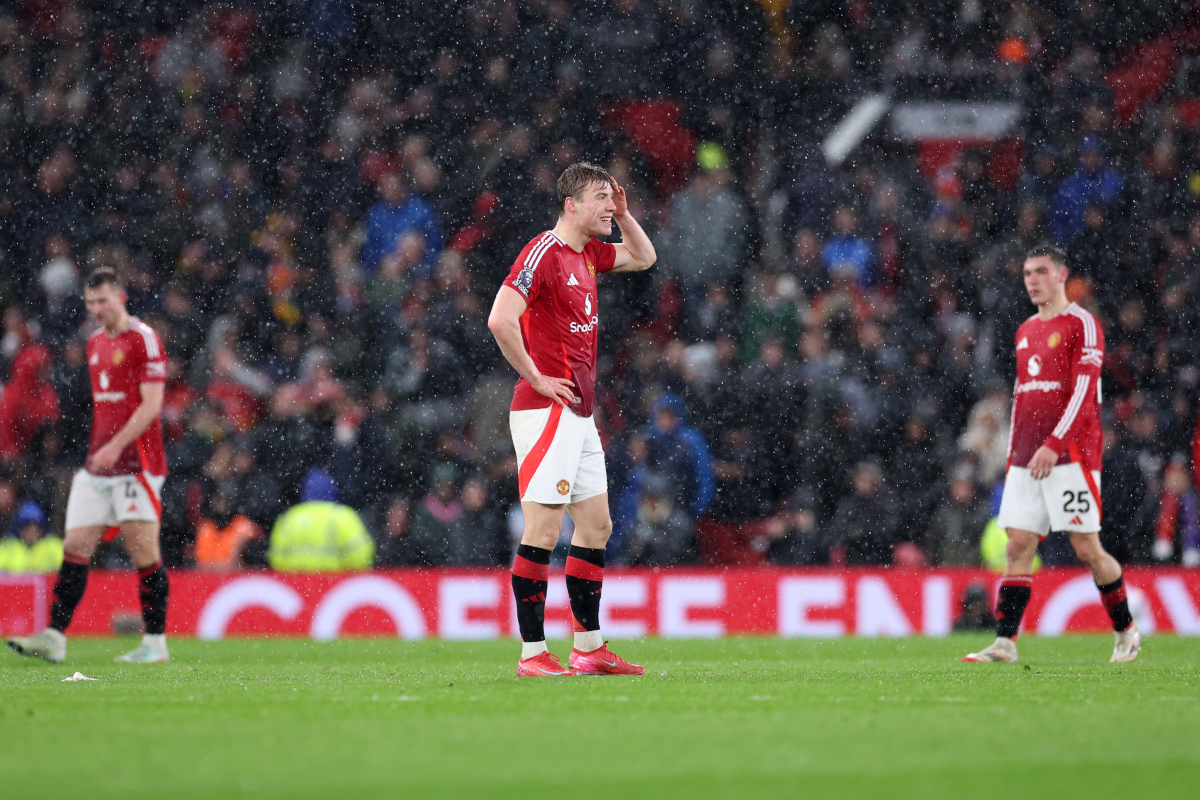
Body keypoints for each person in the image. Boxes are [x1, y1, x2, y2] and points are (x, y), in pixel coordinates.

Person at [487, 162, 655, 677]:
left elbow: (645, 258)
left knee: (597, 525)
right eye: (602, 198)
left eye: (613, 197)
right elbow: (500, 318)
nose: (610, 205)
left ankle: (588, 647)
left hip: (580, 414)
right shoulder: (544, 252)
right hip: (546, 410)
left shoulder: (589, 255)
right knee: (543, 528)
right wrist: (537, 377)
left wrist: (625, 217)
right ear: (571, 205)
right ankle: (533, 654)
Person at [964, 245, 1140, 664]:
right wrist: (1014, 458)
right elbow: (1024, 398)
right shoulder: (1025, 330)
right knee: (1018, 545)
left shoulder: (1083, 324)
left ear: (1061, 274)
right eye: (1027, 273)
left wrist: (1053, 445)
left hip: (1070, 457)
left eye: (1041, 271)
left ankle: (1126, 630)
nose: (1033, 280)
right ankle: (1005, 642)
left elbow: (1083, 394)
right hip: (1026, 460)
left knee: (1086, 547)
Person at [8, 267, 171, 664]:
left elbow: (151, 405)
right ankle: (54, 637)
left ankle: (155, 644)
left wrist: (116, 447)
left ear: (121, 296)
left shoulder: (144, 339)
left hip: (138, 465)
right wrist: (98, 450)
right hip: (98, 466)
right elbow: (106, 408)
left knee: (142, 551)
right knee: (75, 546)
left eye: (103, 300)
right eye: (91, 302)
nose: (97, 309)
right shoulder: (95, 344)